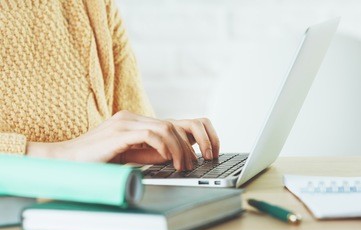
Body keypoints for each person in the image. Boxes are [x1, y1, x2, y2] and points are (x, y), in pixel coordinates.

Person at [0, 0, 219, 171]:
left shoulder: (94, 6)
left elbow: (130, 126)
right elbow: (81, 152)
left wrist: (148, 143)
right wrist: (62, 154)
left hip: (90, 213)